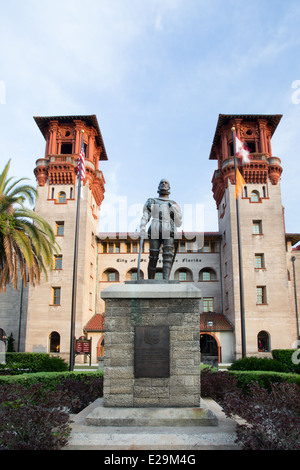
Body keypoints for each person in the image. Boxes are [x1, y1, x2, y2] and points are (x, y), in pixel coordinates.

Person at [140, 179, 182, 280]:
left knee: (167, 255)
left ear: (169, 187)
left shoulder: (174, 203)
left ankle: (166, 280)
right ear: (158, 186)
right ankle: (150, 279)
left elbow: (179, 222)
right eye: (161, 183)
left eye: (166, 183)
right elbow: (146, 215)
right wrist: (142, 227)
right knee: (153, 255)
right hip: (155, 226)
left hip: (169, 228)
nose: (163, 184)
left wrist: (174, 211)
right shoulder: (152, 201)